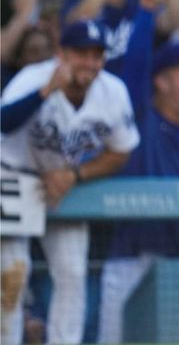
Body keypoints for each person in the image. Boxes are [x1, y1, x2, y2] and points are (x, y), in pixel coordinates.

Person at [0, 20, 140, 345]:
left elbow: (122, 151)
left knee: (73, 275)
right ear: (62, 54)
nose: (89, 64)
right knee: (11, 280)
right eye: (81, 54)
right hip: (12, 176)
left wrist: (74, 176)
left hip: (62, 185)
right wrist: (45, 91)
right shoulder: (33, 78)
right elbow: (2, 123)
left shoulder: (112, 92)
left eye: (97, 55)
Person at [97, 41, 179, 343]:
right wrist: (148, 11)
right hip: (131, 258)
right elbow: (135, 71)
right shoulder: (142, 121)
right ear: (161, 81)